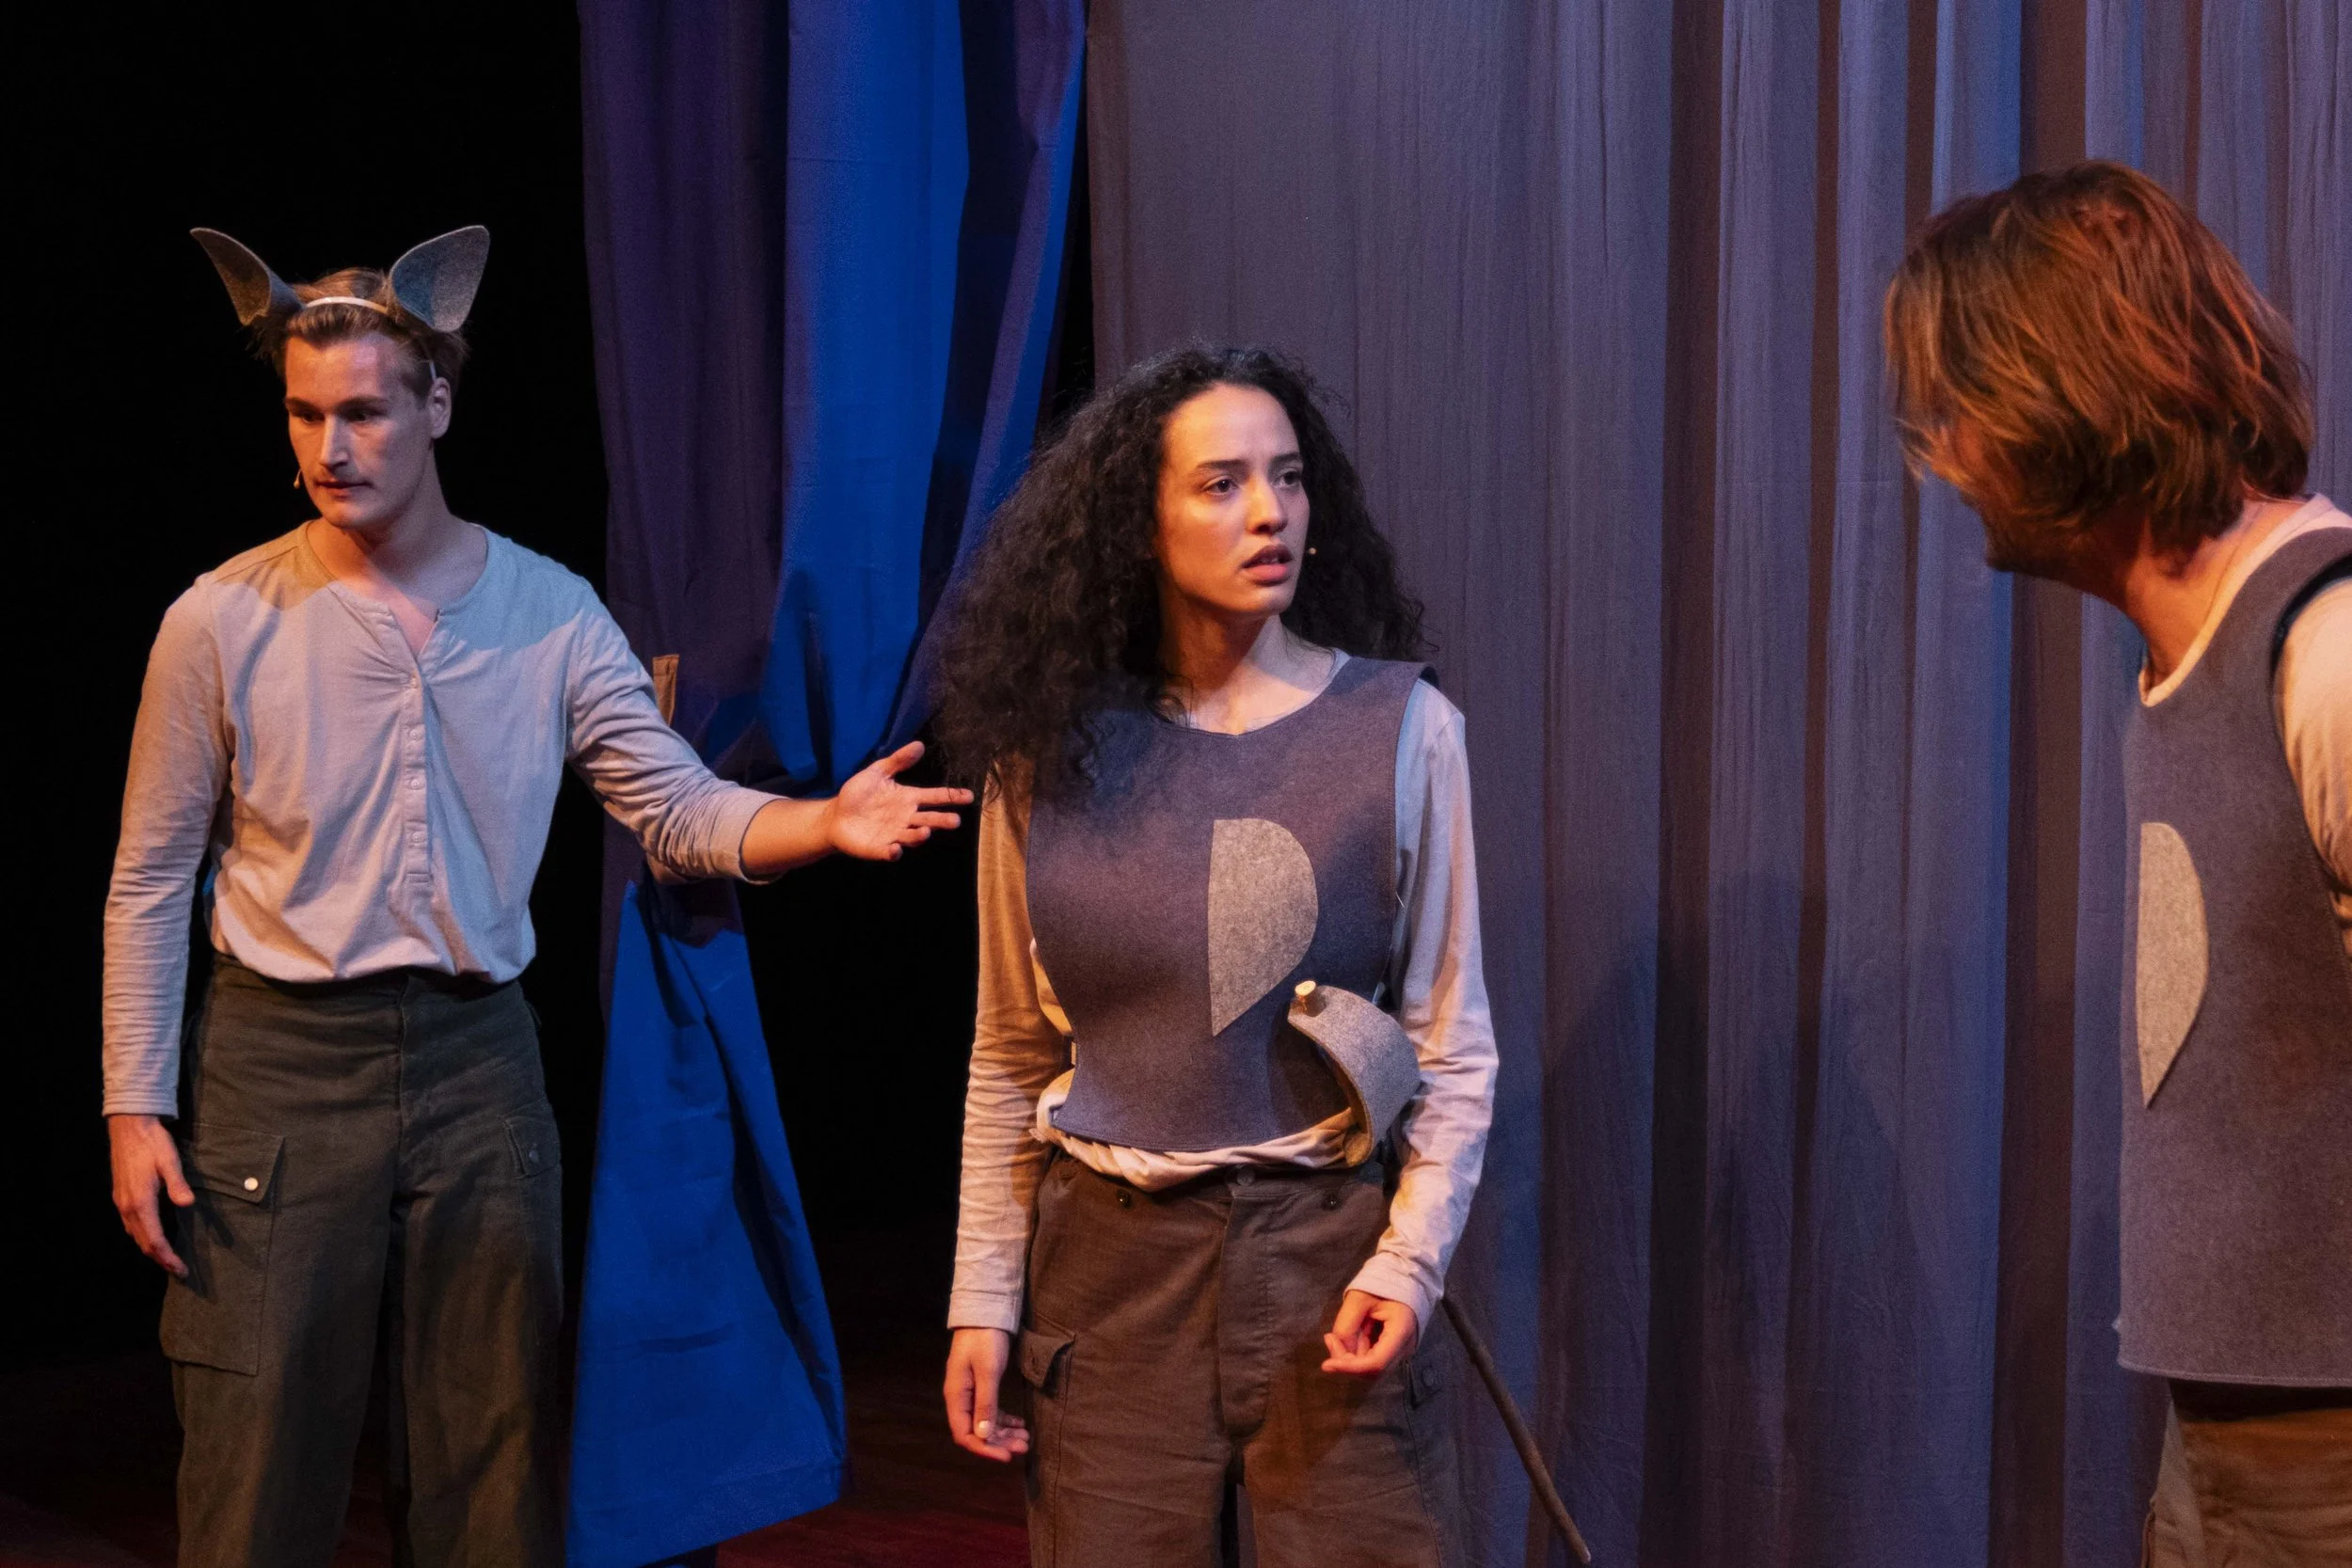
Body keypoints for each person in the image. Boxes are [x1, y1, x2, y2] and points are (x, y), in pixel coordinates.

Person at [103, 227, 970, 1568]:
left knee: (491, 1465)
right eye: (306, 415)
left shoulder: (547, 612)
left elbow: (677, 809)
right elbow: (153, 875)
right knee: (256, 1461)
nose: (332, 447)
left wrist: (824, 821)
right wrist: (133, 1102)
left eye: (364, 412)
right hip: (280, 1068)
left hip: (478, 1065)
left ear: (437, 405)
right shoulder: (219, 619)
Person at [931, 345, 1496, 1564]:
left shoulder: (1405, 729)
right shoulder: (1046, 754)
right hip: (1110, 1278)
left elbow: (1454, 1048)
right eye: (1221, 483)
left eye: (1287, 477)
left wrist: (1406, 1266)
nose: (1269, 512)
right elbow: (1012, 1050)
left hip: (1324, 1261)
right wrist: (983, 1293)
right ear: (1140, 525)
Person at [1884, 162, 2350, 1565]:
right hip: (2227, 1441)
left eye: (1961, 405)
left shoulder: (2326, 647)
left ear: (2062, 397)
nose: (1945, 453)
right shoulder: (2189, 661)